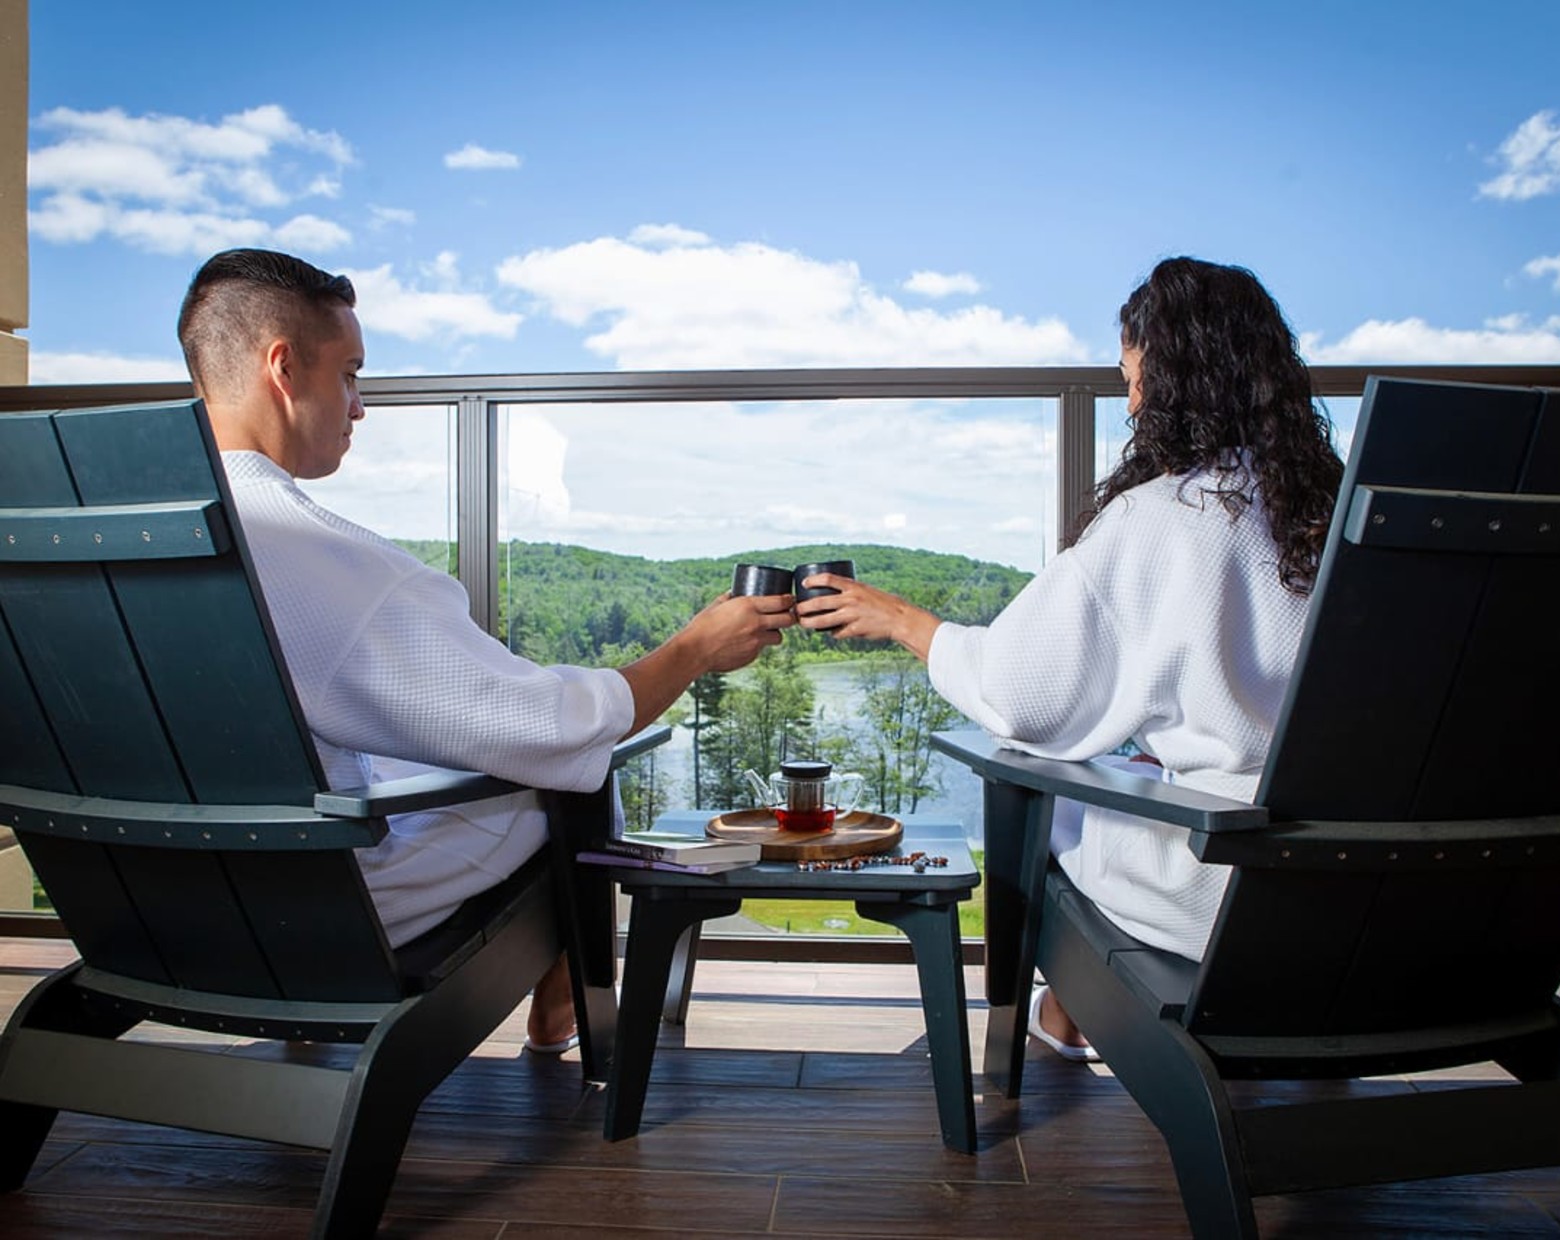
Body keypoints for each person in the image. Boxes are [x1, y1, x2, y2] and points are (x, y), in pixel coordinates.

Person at [177, 248, 795, 1052]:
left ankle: (559, 1000)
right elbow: (550, 726)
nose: (359, 407)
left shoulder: (106, 539)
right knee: (573, 772)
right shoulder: (326, 560)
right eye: (352, 374)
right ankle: (567, 1006)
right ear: (283, 367)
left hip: (150, 909)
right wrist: (693, 650)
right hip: (312, 913)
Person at [795, 256, 1343, 1060]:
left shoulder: (1164, 517)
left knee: (1043, 798)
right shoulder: (1335, 512)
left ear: (1176, 378)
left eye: (1132, 379)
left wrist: (905, 623)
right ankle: (1065, 1012)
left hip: (1237, 884)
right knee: (1137, 773)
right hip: (1375, 884)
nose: (1130, 403)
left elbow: (1025, 698)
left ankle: (1039, 1021)